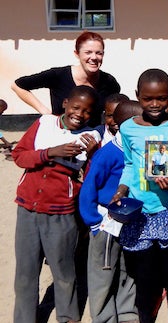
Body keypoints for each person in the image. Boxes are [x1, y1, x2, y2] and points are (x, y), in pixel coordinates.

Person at [12, 85, 101, 323]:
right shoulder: (44, 124)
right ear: (64, 104)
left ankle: (68, 316)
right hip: (27, 209)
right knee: (25, 273)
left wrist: (92, 156)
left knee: (63, 273)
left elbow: (91, 180)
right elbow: (20, 155)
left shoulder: (90, 138)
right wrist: (49, 152)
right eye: (75, 107)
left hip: (61, 214)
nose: (79, 114)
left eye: (86, 111)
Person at [111, 69, 168, 323]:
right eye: (148, 99)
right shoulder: (127, 128)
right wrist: (121, 190)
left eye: (161, 98)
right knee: (145, 279)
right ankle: (146, 317)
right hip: (141, 214)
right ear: (138, 97)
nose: (155, 104)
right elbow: (128, 165)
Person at [79, 100, 143, 323]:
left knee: (127, 271)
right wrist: (94, 221)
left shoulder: (139, 150)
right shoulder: (108, 154)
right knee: (103, 273)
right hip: (106, 223)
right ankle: (104, 318)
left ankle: (127, 315)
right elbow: (88, 189)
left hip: (131, 221)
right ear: (121, 126)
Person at [12, 31, 120, 126]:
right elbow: (17, 85)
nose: (94, 57)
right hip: (59, 137)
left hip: (91, 140)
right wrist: (45, 112)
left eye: (98, 53)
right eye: (88, 52)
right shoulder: (58, 75)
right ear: (77, 54)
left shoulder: (109, 82)